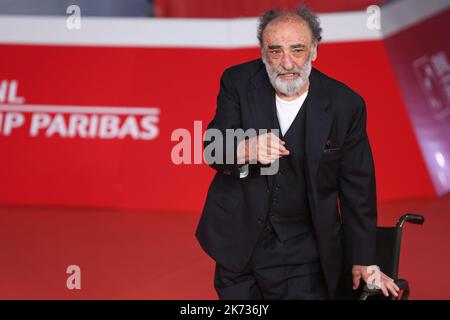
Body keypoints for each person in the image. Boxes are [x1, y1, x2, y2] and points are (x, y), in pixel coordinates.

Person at [196, 6, 400, 300]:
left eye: (298, 49)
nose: (287, 63)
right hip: (236, 244)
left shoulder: (346, 105)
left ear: (314, 51)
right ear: (263, 53)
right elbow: (212, 148)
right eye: (275, 51)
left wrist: (364, 257)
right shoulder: (237, 82)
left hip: (303, 251)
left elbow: (358, 189)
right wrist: (244, 149)